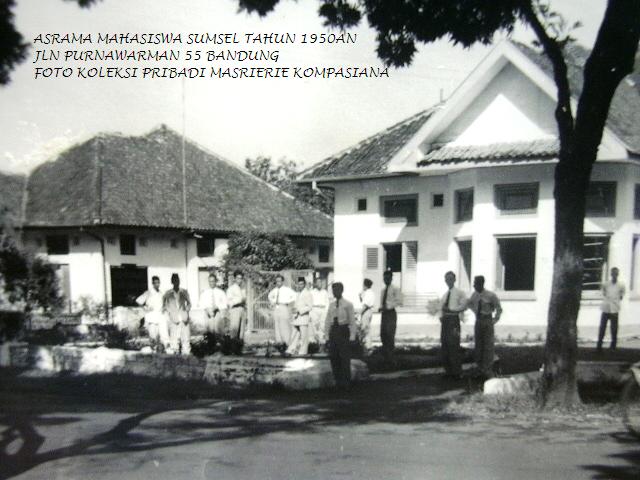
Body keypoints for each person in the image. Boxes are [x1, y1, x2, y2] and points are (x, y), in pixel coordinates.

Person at [467, 275, 502, 378]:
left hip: (487, 320)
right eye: (474, 283)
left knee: (488, 346)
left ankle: (488, 370)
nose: (474, 286)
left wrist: (495, 320)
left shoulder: (490, 295)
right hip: (478, 321)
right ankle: (480, 369)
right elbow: (469, 304)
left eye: (476, 283)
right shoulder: (474, 295)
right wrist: (474, 311)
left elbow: (499, 308)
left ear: (481, 283)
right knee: (478, 345)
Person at [324, 282, 356, 389]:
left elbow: (352, 322)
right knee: (334, 357)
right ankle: (337, 381)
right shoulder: (331, 305)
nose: (335, 292)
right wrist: (327, 337)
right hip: (334, 331)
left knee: (344, 357)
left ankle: (346, 381)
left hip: (343, 331)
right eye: (333, 290)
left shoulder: (348, 304)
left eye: (337, 290)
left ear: (342, 291)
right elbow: (328, 321)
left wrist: (352, 337)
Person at [439, 271, 468, 378]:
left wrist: (451, 310)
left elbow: (464, 305)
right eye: (447, 279)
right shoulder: (445, 295)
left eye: (451, 279)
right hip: (445, 322)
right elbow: (441, 308)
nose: (449, 281)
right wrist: (441, 317)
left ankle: (457, 372)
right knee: (445, 345)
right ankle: (448, 371)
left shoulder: (460, 292)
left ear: (455, 280)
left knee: (454, 345)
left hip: (453, 320)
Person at [136, 276, 169, 352]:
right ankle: (153, 351)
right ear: (153, 283)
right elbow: (138, 301)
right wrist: (145, 307)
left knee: (164, 334)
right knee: (153, 336)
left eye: (158, 282)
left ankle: (165, 351)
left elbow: (164, 303)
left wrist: (164, 307)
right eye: (155, 283)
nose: (157, 284)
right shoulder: (148, 292)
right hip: (151, 317)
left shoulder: (161, 293)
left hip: (160, 316)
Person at [162, 273, 192, 355]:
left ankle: (186, 359)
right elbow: (164, 305)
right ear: (172, 281)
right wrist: (169, 312)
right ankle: (176, 360)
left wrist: (187, 310)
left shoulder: (184, 292)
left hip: (184, 318)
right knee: (174, 341)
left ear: (179, 281)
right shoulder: (167, 293)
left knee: (186, 340)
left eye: (177, 280)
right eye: (174, 280)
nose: (176, 282)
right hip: (174, 319)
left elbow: (189, 303)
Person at [598, 267, 626, 351]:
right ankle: (599, 345)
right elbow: (603, 292)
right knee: (602, 327)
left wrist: (616, 301)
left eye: (616, 274)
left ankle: (613, 345)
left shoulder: (621, 285)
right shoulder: (606, 284)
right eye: (613, 274)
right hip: (606, 308)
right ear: (611, 274)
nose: (614, 276)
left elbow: (621, 295)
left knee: (614, 328)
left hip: (615, 308)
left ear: (618, 275)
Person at [379, 270, 402, 363]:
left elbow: (399, 301)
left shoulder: (395, 289)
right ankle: (386, 358)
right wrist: (381, 307)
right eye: (385, 278)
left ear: (391, 278)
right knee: (383, 335)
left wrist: (389, 306)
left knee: (390, 335)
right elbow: (382, 303)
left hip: (391, 314)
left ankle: (391, 359)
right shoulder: (383, 290)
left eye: (388, 278)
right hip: (384, 314)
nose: (386, 280)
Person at [268, 274, 296, 347]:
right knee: (277, 326)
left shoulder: (287, 289)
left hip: (284, 307)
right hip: (276, 308)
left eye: (279, 281)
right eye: (277, 281)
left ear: (282, 281)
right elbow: (269, 296)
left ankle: (286, 343)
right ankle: (279, 343)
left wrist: (287, 301)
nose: (278, 283)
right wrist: (273, 301)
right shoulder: (275, 290)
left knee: (284, 326)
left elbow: (294, 296)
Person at [287, 278, 313, 355]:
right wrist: (294, 310)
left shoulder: (308, 293)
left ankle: (303, 352)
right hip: (297, 318)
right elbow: (296, 305)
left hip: (304, 317)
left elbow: (310, 306)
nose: (300, 286)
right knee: (294, 334)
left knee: (304, 336)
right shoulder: (297, 294)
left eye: (301, 284)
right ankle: (291, 350)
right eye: (299, 284)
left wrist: (299, 310)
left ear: (304, 284)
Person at [226, 270, 247, 340]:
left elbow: (244, 299)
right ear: (234, 279)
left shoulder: (243, 289)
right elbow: (228, 301)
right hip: (235, 309)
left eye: (241, 278)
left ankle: (239, 349)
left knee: (241, 332)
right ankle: (233, 349)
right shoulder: (231, 289)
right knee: (234, 330)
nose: (239, 280)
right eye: (238, 278)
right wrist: (238, 301)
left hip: (242, 309)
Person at [309, 277, 329, 344]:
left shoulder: (325, 292)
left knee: (322, 326)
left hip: (323, 310)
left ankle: (322, 342)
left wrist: (326, 311)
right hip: (314, 309)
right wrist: (311, 312)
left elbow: (327, 303)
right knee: (315, 326)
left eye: (320, 282)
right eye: (317, 282)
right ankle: (315, 342)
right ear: (315, 283)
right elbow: (310, 303)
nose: (319, 283)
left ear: (322, 283)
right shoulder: (312, 292)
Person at [358, 278, 375, 350]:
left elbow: (365, 305)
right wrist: (360, 297)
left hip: (366, 312)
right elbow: (363, 302)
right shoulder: (369, 293)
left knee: (365, 329)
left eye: (363, 285)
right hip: (368, 311)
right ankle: (366, 346)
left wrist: (359, 313)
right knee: (365, 329)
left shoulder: (368, 293)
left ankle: (368, 347)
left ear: (365, 285)